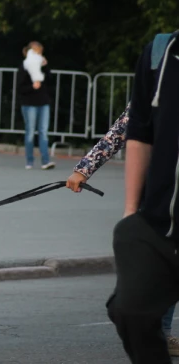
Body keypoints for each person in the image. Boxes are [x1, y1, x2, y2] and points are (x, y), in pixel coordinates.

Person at [65, 103, 179, 357]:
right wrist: (84, 170)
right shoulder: (158, 81)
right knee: (163, 260)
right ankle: (156, 328)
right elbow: (121, 129)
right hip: (162, 193)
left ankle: (153, 326)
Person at [103, 31, 179, 363]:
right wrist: (131, 212)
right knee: (129, 311)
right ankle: (160, 332)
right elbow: (133, 132)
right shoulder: (160, 54)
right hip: (159, 221)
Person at [17, 41, 55, 170]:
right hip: (29, 103)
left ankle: (45, 161)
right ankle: (29, 161)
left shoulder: (42, 65)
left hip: (43, 102)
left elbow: (50, 81)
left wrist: (45, 67)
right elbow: (20, 87)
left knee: (43, 132)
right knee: (30, 132)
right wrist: (32, 87)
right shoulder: (24, 66)